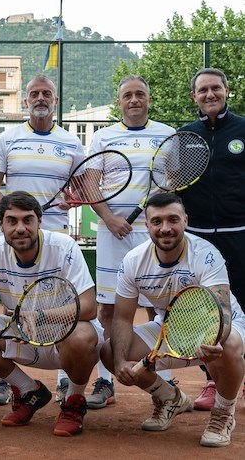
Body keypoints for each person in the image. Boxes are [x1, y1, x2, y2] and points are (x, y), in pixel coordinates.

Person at [101, 193, 245, 448]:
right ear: (147, 225)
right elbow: (122, 318)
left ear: (185, 221)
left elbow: (223, 310)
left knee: (230, 346)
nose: (165, 228)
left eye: (173, 220)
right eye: (157, 221)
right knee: (109, 350)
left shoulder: (206, 254)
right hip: (171, 329)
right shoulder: (133, 261)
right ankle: (170, 398)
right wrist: (121, 360)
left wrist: (214, 339)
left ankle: (223, 414)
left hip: (219, 327)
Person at [0, 191, 102, 436]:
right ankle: (29, 391)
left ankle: (73, 402)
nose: (20, 228)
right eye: (12, 221)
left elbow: (88, 306)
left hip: (65, 336)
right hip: (22, 334)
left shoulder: (63, 246)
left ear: (40, 222)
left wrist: (42, 315)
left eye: (27, 220)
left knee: (82, 337)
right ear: (1, 224)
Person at [0, 74, 86, 404]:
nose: (40, 98)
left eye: (47, 93)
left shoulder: (72, 142)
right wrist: (10, 213)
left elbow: (82, 188)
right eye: (34, 94)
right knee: (13, 298)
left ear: (55, 100)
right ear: (25, 101)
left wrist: (76, 199)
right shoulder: (8, 139)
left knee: (60, 306)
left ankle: (64, 378)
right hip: (20, 234)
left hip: (56, 237)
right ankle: (10, 379)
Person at [87, 75, 175, 408]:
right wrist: (109, 218)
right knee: (108, 309)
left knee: (162, 305)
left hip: (156, 234)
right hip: (113, 233)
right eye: (128, 95)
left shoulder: (168, 134)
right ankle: (105, 381)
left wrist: (159, 222)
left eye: (140, 94)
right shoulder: (102, 137)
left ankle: (163, 380)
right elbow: (91, 185)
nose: (134, 100)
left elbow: (175, 183)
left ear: (148, 100)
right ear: (119, 101)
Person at [178, 67, 245, 411]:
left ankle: (242, 376)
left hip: (241, 233)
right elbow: (175, 182)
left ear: (226, 91)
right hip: (200, 237)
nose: (209, 94)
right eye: (202, 90)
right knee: (207, 310)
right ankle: (211, 379)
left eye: (215, 88)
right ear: (195, 96)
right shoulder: (185, 136)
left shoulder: (243, 129)